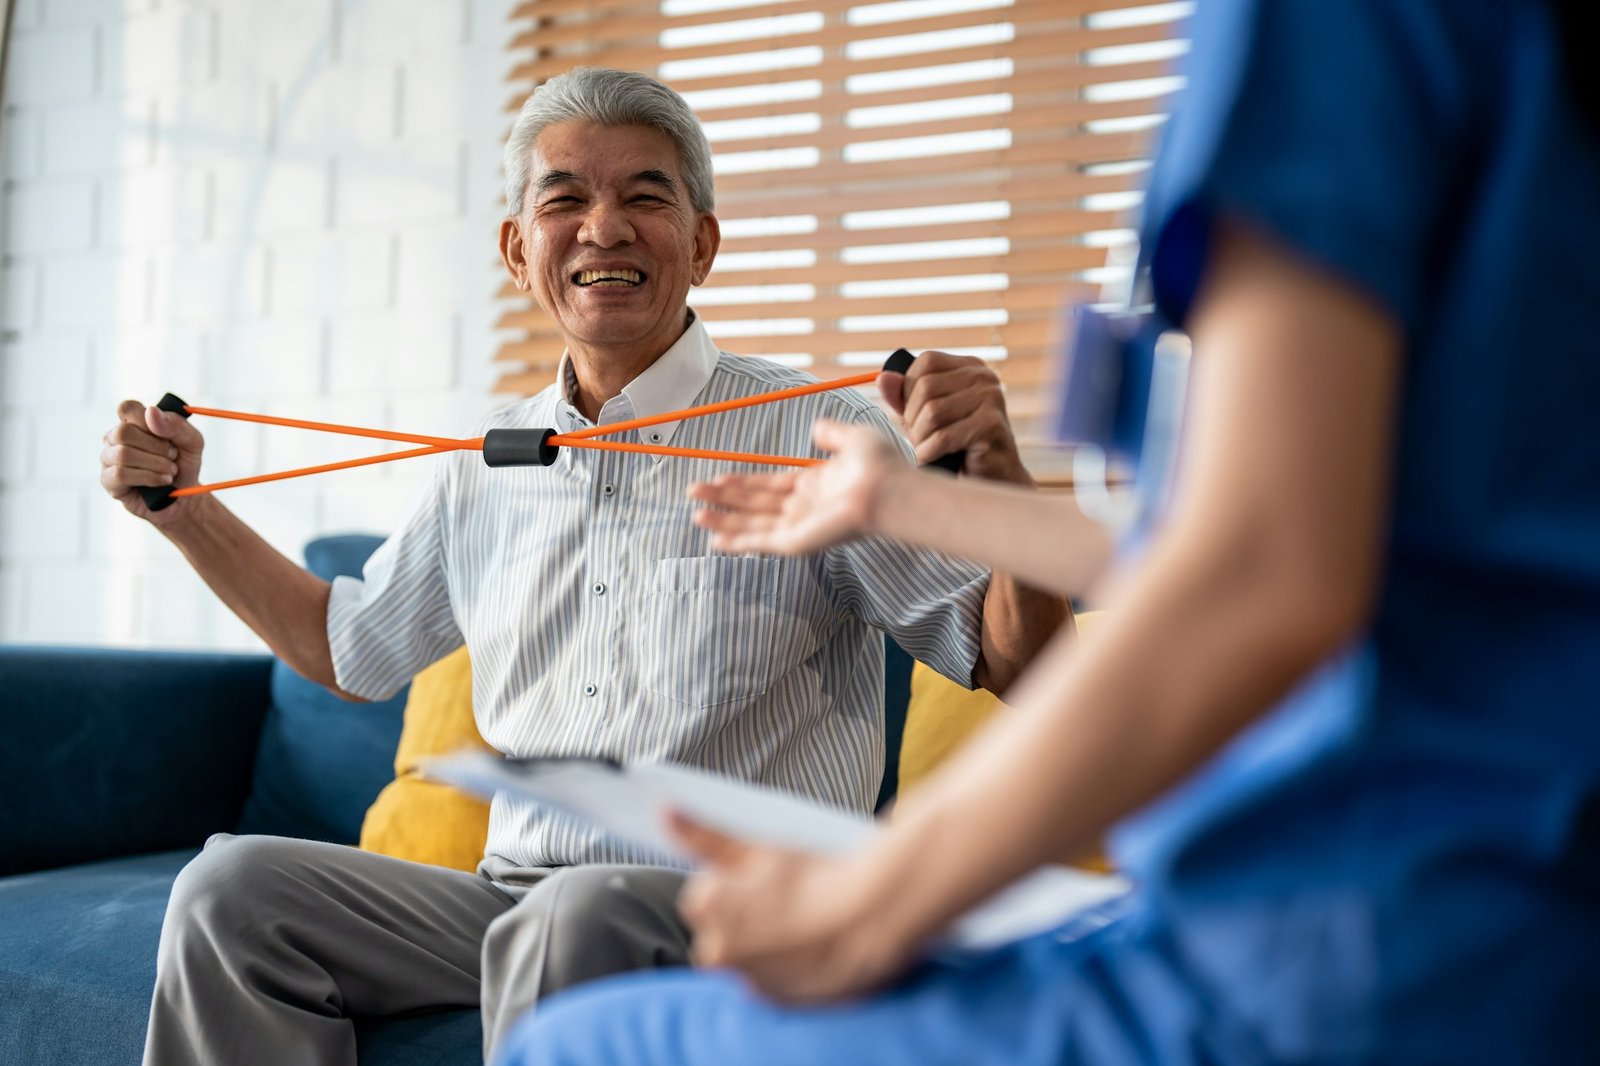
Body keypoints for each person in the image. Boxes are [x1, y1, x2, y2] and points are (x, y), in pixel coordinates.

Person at [495, 3, 1600, 1064]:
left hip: (1341, 940)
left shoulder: (1335, 26)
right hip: (1504, 902)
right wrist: (915, 503)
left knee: (580, 1042)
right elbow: (1329, 553)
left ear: (701, 239)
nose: (604, 230)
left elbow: (1263, 576)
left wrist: (863, 904)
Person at [98, 68, 1068, 1066]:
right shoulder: (486, 466)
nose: (603, 228)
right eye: (564, 197)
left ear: (701, 244)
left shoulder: (824, 432)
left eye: (645, 195)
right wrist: (184, 511)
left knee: (576, 910)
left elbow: (1013, 663)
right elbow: (348, 648)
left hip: (750, 906)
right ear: (520, 251)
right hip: (512, 897)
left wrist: (1002, 486)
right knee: (232, 892)